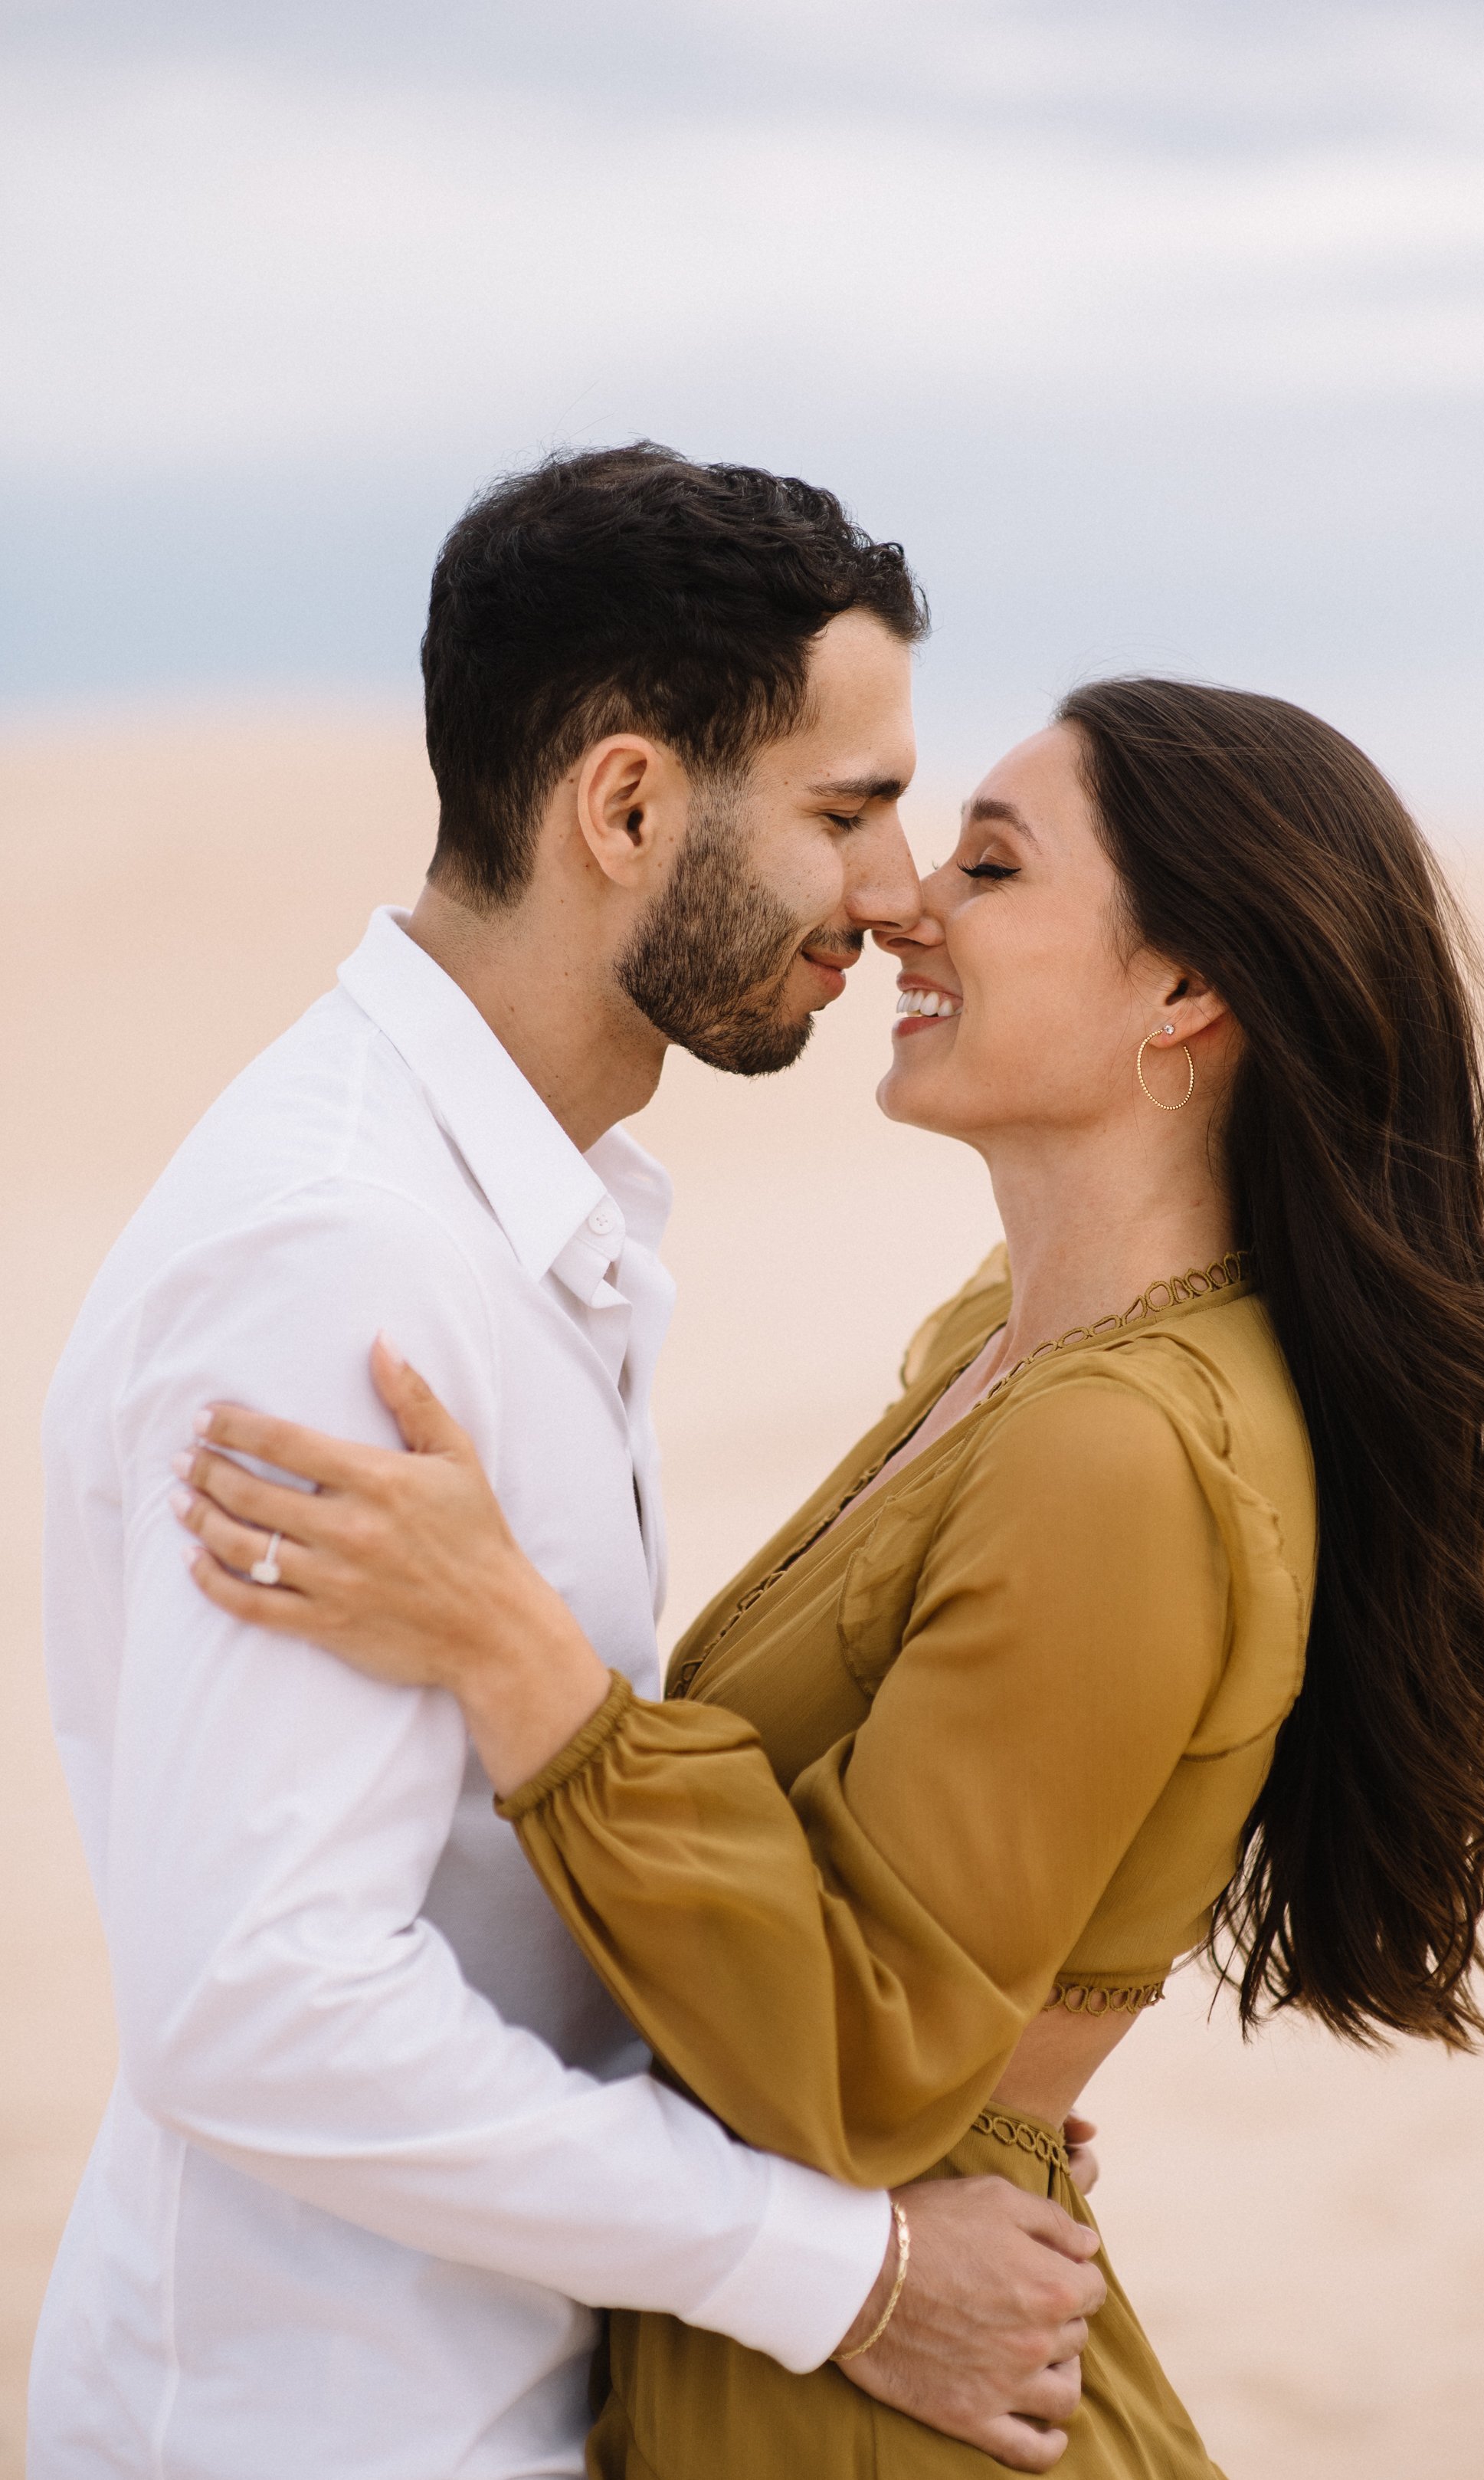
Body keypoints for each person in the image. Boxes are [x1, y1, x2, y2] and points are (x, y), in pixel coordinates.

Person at [172, 677, 1484, 2476]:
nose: (905, 901)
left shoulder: (1124, 1448)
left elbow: (871, 2048)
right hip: (847, 2316)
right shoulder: (1011, 1349)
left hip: (875, 2379)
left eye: (990, 866)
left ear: (1185, 992)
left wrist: (512, 1650)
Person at [32, 446, 1109, 2480]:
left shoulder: (519, 1211)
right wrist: (848, 2264)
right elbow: (261, 1997)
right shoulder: (342, 1257)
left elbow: (504, 1900)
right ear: (626, 803)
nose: (892, 898)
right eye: (846, 811)